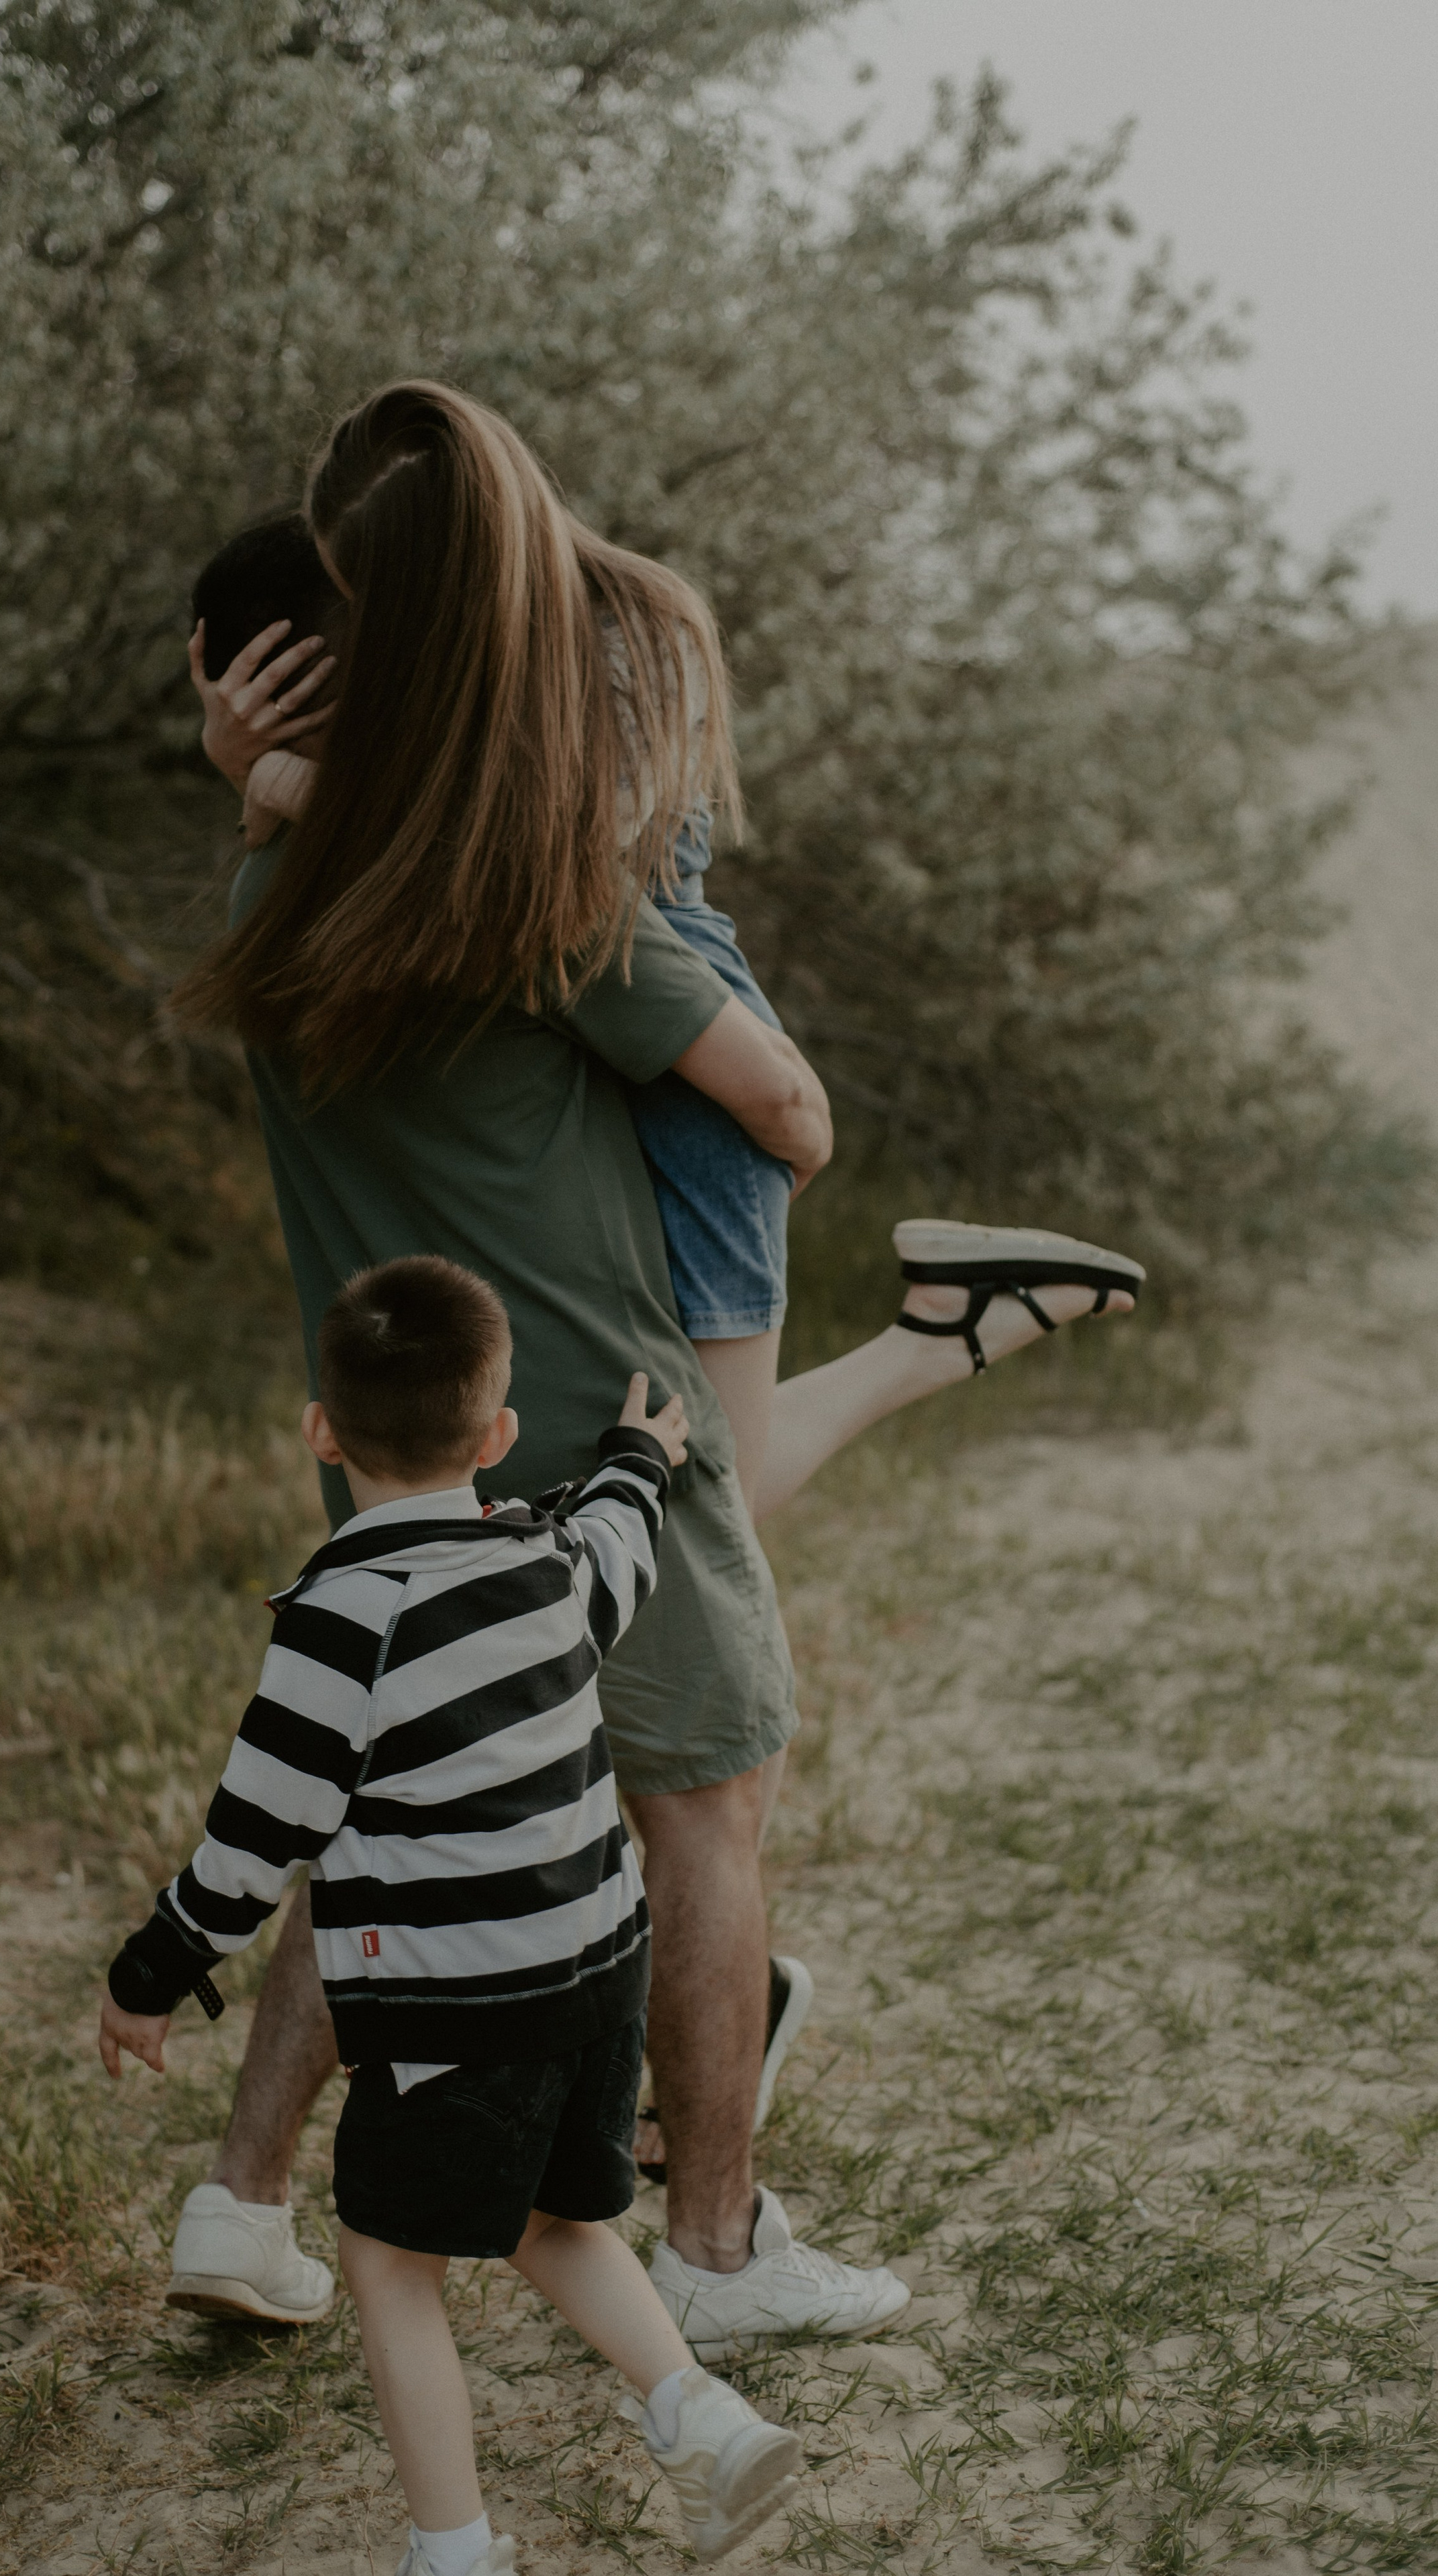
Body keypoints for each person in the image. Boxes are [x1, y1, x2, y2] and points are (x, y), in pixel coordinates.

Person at [165, 378, 1142, 2349]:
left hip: (396, 1448)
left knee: (389, 1816)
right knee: (712, 1805)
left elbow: (344, 838)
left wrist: (252, 783)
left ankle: (241, 2203)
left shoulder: (277, 886)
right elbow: (781, 1102)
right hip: (606, 1421)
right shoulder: (535, 896)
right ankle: (714, 2249)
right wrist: (778, 1136)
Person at [100, 1258, 809, 2574]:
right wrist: (634, 1456)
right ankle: (701, 2420)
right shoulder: (543, 1567)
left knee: (385, 2261)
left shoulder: (337, 1625)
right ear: (493, 1438)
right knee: (555, 2225)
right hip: (597, 1983)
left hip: (456, 2014)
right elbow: (619, 1544)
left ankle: (454, 2551)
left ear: (321, 1432)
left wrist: (154, 1971)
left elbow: (256, 1837)